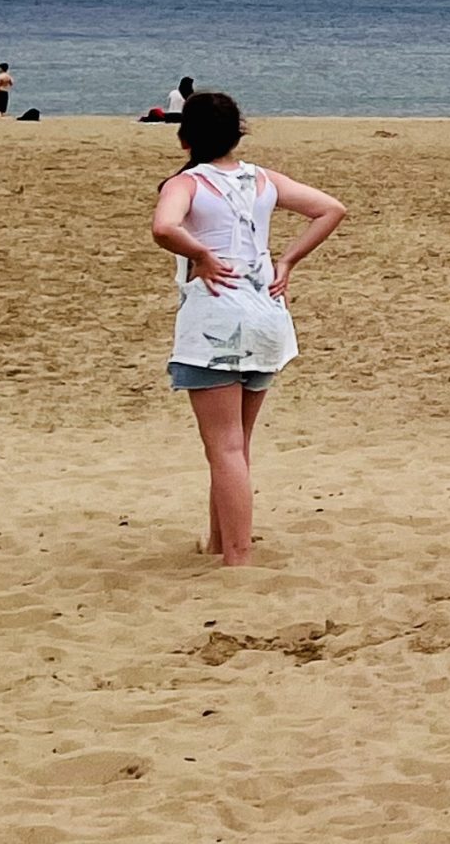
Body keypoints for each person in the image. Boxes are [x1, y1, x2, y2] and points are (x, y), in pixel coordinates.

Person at [148, 92, 347, 566]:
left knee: (224, 448)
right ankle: (221, 541)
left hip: (218, 323)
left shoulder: (187, 183)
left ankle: (237, 556)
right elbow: (330, 209)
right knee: (236, 446)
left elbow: (163, 227)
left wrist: (201, 255)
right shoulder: (261, 179)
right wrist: (288, 260)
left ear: (185, 138)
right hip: (266, 318)